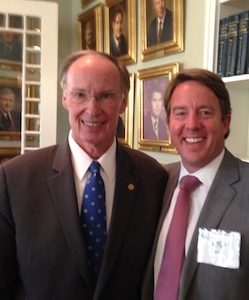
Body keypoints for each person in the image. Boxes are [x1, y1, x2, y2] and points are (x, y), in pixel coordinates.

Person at [0, 50, 168, 299]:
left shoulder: (153, 177)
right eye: (80, 95)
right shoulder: (14, 179)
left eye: (105, 96)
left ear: (123, 102)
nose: (92, 109)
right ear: (65, 98)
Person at [142, 68, 249, 299]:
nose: (192, 124)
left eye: (205, 113)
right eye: (180, 113)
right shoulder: (157, 181)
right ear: (168, 124)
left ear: (225, 123)